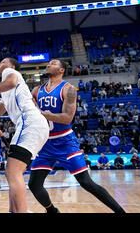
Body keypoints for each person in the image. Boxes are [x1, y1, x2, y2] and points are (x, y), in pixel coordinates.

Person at [28, 59, 125, 213]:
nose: (48, 65)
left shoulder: (69, 89)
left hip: (65, 142)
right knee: (34, 184)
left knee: (86, 182)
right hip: (45, 143)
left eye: (53, 63)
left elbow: (67, 118)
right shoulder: (36, 90)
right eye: (48, 63)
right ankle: (52, 211)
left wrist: (44, 114)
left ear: (61, 70)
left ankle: (120, 211)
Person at [0, 58, 49, 213]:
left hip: (29, 122)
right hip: (34, 126)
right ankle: (14, 210)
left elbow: (11, 82)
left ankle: (22, 211)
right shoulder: (5, 91)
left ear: (12, 66)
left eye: (3, 62)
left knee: (12, 171)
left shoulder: (11, 73)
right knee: (12, 171)